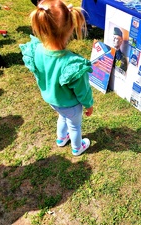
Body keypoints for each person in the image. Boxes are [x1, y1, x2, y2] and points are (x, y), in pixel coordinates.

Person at [19, 0, 94, 156]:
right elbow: (83, 90)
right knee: (74, 126)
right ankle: (77, 147)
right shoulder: (72, 63)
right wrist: (89, 105)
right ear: (71, 27)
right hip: (71, 105)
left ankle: (61, 139)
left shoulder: (36, 50)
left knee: (62, 117)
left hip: (53, 101)